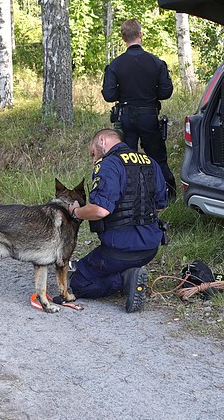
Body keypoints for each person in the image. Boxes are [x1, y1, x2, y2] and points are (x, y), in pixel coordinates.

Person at [66, 128, 168, 313]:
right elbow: (160, 205)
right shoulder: (150, 162)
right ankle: (129, 273)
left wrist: (76, 212)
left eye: (93, 153)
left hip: (119, 250)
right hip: (149, 248)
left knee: (78, 282)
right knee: (98, 264)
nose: (93, 159)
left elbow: (99, 210)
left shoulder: (108, 164)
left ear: (102, 141)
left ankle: (126, 278)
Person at [101, 18, 176, 200]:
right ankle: (169, 194)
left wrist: (123, 92)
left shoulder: (115, 65)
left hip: (126, 117)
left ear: (123, 37)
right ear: (140, 35)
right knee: (157, 157)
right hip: (148, 115)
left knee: (126, 158)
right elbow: (166, 91)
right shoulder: (156, 63)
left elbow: (109, 95)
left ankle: (128, 197)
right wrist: (150, 93)